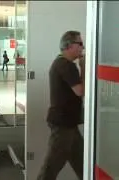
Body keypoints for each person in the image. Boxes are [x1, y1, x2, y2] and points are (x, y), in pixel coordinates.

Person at [37, 31, 85, 180]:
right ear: (69, 45)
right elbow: (80, 90)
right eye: (80, 44)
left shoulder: (61, 63)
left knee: (84, 164)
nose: (82, 48)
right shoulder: (66, 65)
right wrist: (84, 67)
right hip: (63, 124)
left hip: (68, 123)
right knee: (50, 169)